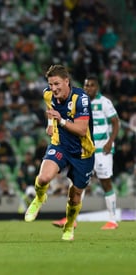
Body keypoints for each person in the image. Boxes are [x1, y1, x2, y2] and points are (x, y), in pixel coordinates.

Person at [24, 65, 95, 241]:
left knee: (75, 195)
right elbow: (50, 109)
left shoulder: (81, 98)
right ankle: (40, 198)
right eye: (51, 84)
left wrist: (60, 120)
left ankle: (69, 226)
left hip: (82, 152)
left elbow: (81, 129)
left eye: (57, 84)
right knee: (43, 178)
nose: (53, 88)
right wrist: (50, 124)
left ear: (66, 81)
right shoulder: (48, 94)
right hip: (60, 145)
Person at [52, 75, 120, 230]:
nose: (89, 88)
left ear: (97, 87)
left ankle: (113, 220)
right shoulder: (80, 102)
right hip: (85, 150)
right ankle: (71, 219)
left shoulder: (104, 103)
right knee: (77, 184)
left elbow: (116, 123)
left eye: (92, 85)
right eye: (86, 85)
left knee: (105, 183)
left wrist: (110, 142)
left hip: (102, 150)